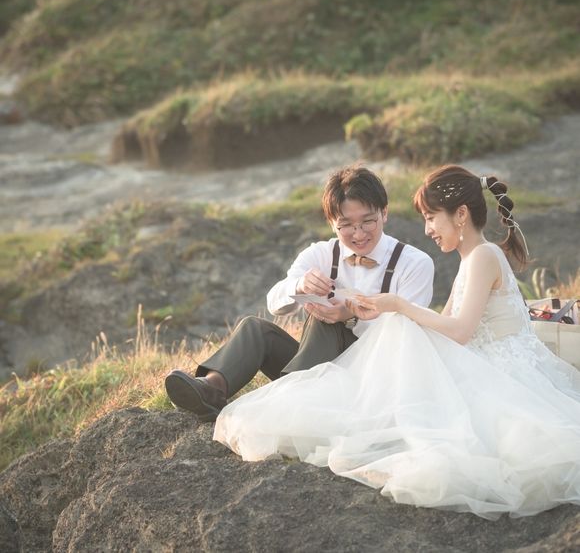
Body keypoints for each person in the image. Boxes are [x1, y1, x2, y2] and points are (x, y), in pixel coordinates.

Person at [214, 164, 580, 520]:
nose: (428, 229)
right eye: (426, 220)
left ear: (461, 214)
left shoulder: (482, 256)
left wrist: (396, 307)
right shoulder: (471, 260)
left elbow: (459, 332)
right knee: (397, 336)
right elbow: (442, 329)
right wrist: (381, 311)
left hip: (502, 372)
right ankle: (238, 390)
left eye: (431, 218)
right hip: (473, 362)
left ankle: (309, 404)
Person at [165, 165, 434, 421]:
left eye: (367, 222)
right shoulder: (321, 253)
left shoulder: (414, 264)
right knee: (255, 328)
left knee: (326, 320)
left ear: (384, 213)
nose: (359, 233)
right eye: (346, 225)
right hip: (315, 369)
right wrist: (299, 285)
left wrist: (349, 316)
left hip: (370, 377)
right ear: (332, 223)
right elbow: (274, 304)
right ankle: (213, 388)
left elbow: (405, 341)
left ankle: (289, 398)